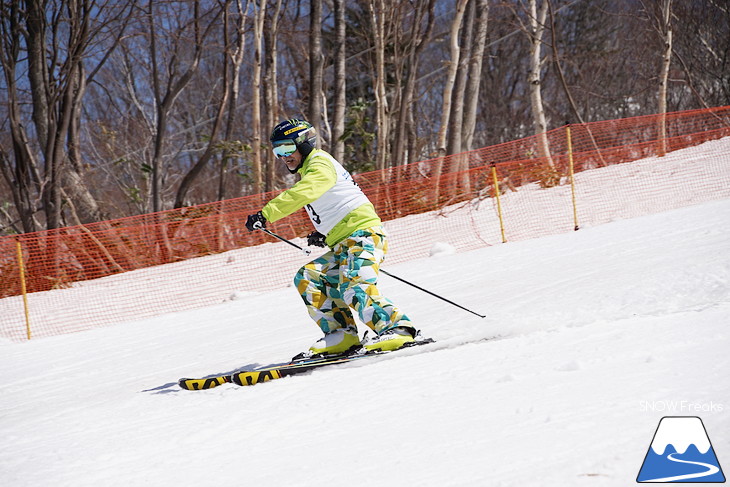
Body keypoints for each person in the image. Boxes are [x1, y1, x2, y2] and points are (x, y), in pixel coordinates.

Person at [245, 118, 417, 357]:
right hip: (345, 240)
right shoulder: (311, 170)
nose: (283, 157)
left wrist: (267, 214)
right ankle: (341, 334)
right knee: (309, 276)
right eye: (277, 151)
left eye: (286, 148)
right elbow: (336, 204)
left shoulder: (320, 163)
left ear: (303, 143)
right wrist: (325, 232)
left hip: (364, 235)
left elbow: (306, 192)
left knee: (353, 283)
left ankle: (397, 328)